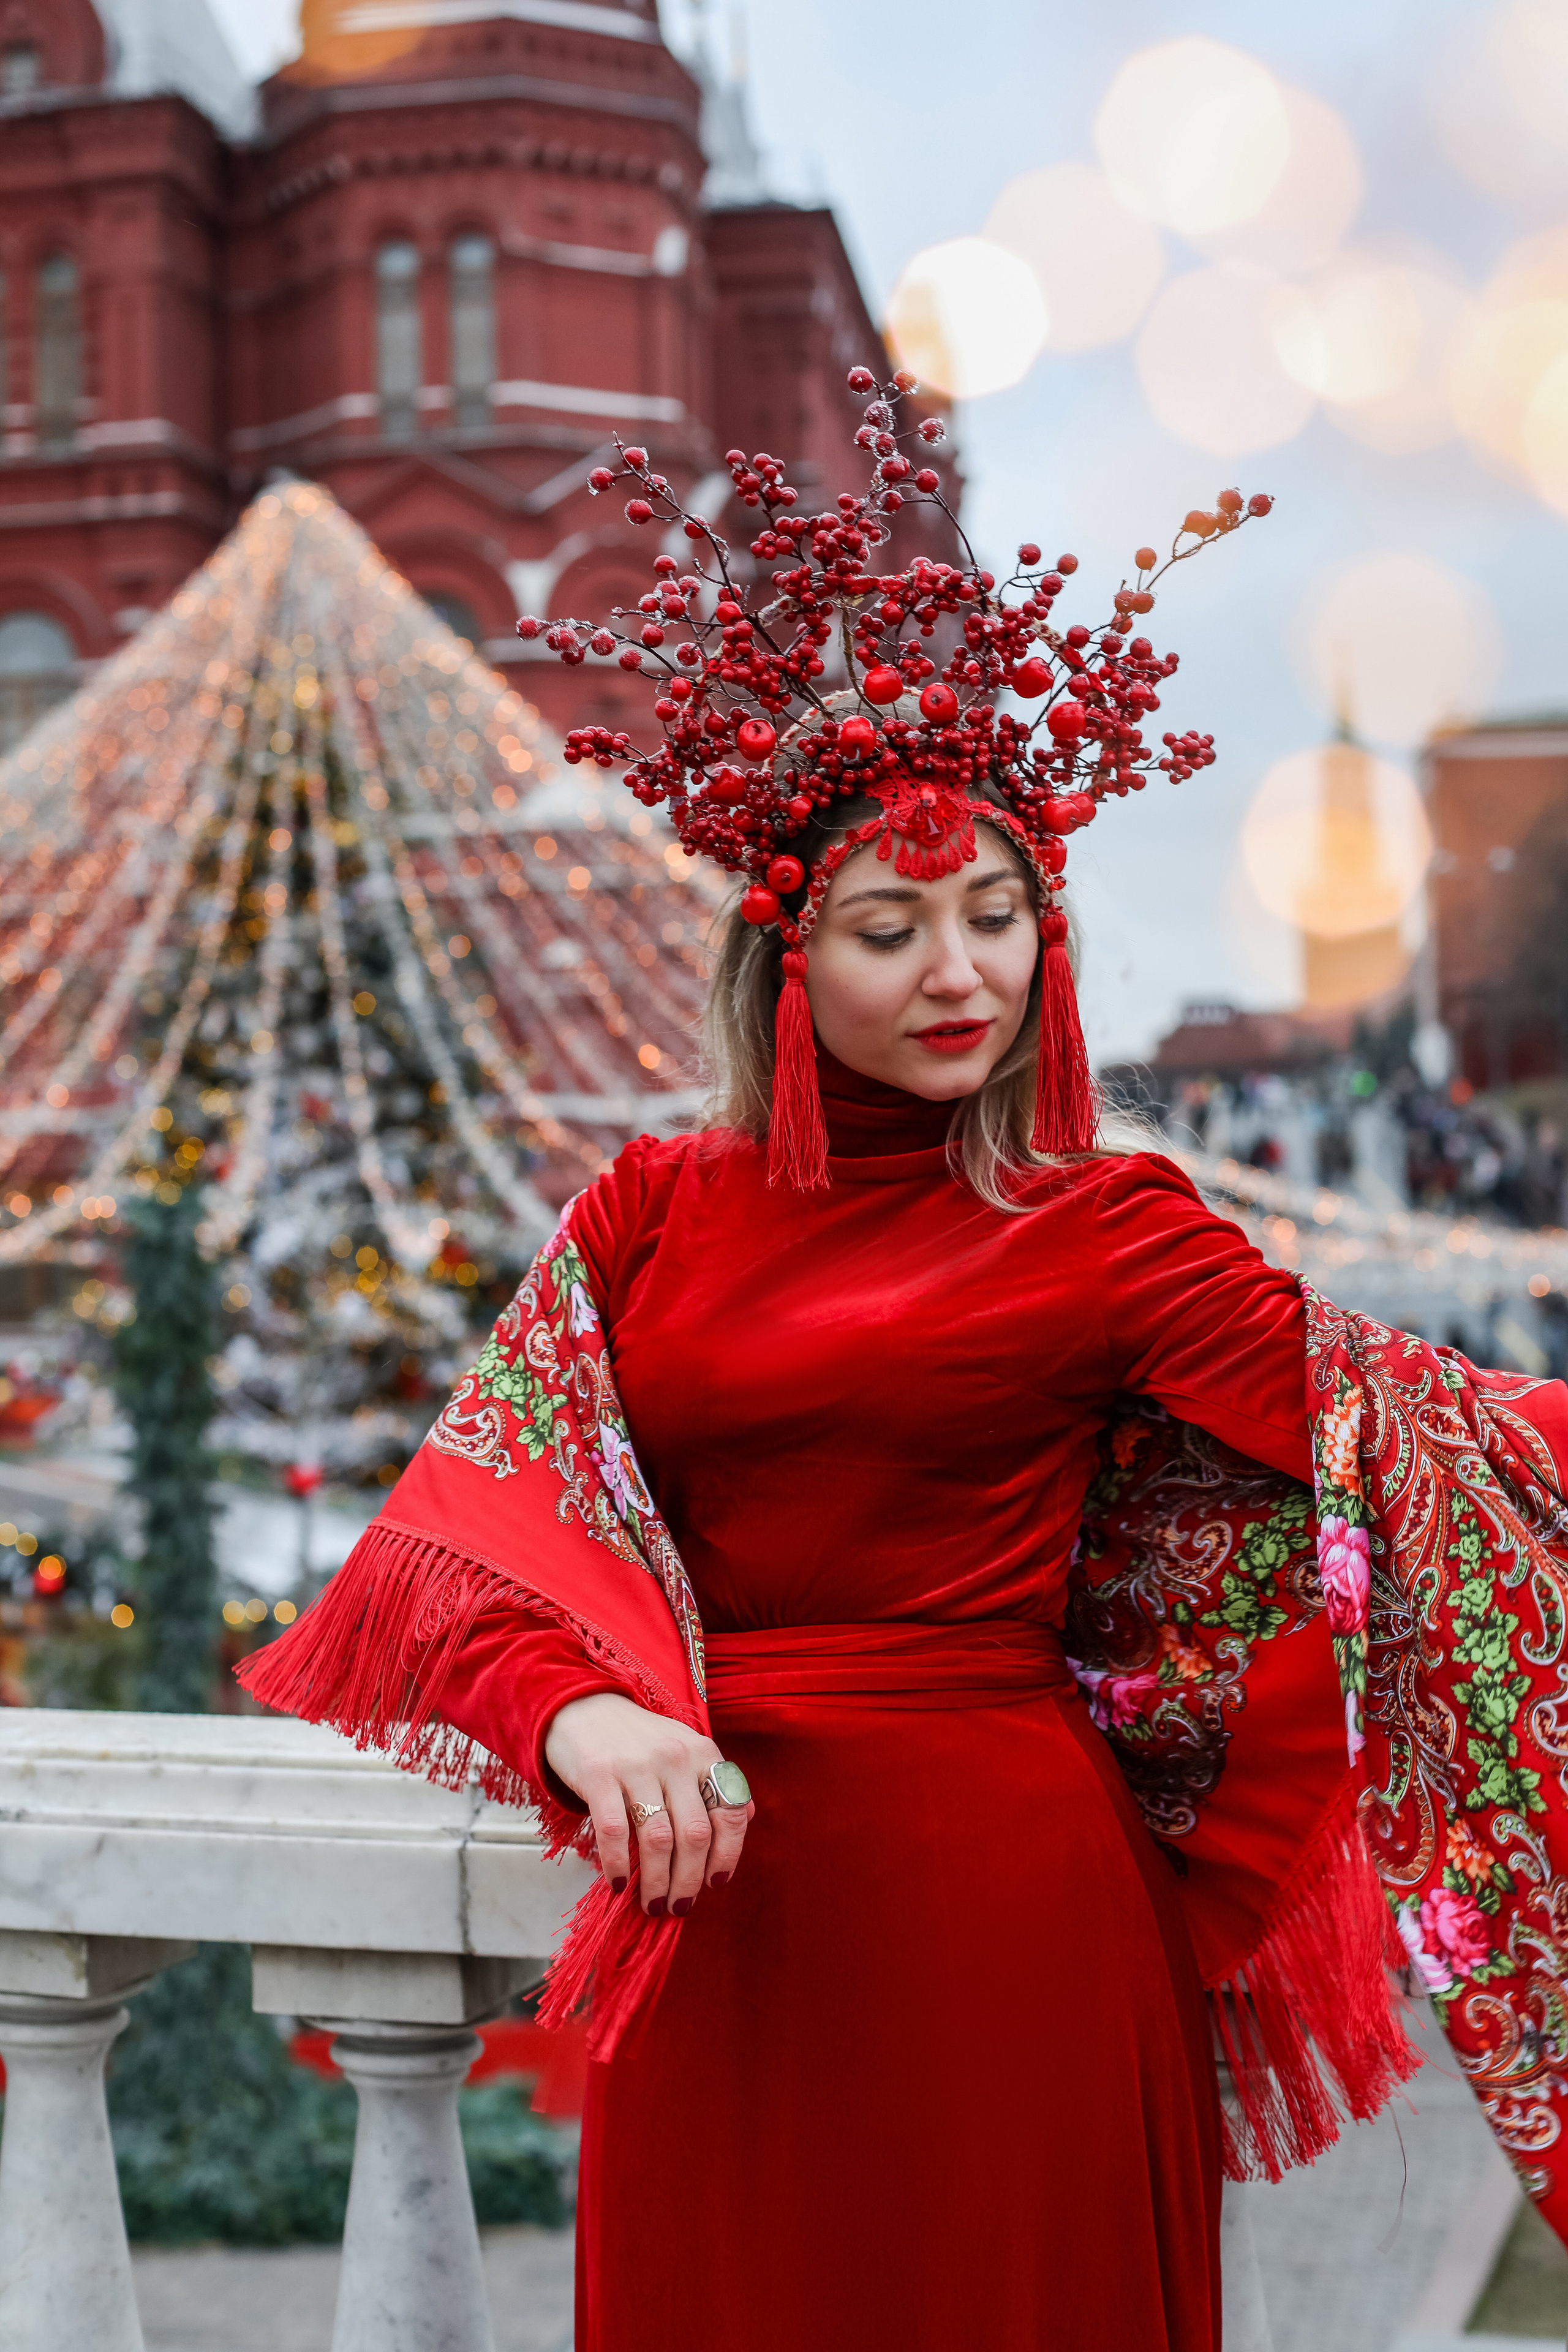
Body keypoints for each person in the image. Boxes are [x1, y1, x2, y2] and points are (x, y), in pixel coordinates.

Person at [245, 388, 1568, 2350]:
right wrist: (576, 1719)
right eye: (892, 927)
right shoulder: (650, 1213)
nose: (962, 975)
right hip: (721, 1908)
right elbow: (465, 1540)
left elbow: (1453, 1447)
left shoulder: (1108, 1226)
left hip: (1011, 1912)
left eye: (999, 915)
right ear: (784, 963)